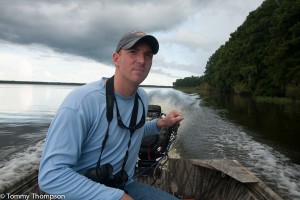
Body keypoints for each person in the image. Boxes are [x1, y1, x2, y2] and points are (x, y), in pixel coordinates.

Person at [38, 31, 184, 200]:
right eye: (133, 52)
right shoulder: (81, 102)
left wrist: (161, 123)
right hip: (82, 191)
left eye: (148, 55)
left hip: (123, 185)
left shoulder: (141, 98)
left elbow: (131, 132)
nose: (141, 60)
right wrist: (117, 197)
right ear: (116, 59)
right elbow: (51, 176)